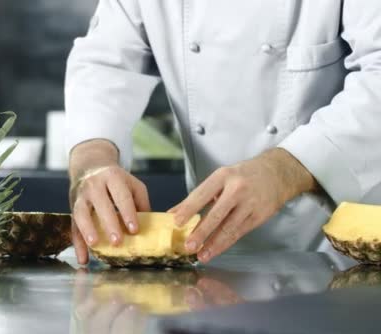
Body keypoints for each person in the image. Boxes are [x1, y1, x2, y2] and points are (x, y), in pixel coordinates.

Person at [65, 1, 381, 265]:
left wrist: (285, 170)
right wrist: (93, 160)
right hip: (213, 259)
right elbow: (104, 64)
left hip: (352, 253)